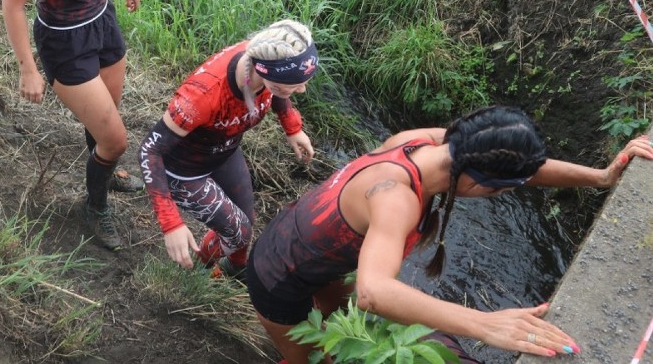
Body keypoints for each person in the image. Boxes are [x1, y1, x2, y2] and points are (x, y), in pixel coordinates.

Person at [245, 105, 653, 363]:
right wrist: (484, 324)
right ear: (479, 184)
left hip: (317, 252)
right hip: (277, 277)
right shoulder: (395, 199)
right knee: (313, 360)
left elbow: (523, 169)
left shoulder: (432, 143)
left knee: (340, 324)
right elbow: (373, 291)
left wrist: (600, 178)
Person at [2, 0, 145, 252]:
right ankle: (94, 207)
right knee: (116, 140)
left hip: (104, 22)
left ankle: (105, 169)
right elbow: (12, 5)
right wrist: (27, 68)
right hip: (66, 40)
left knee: (105, 123)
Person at [138, 19, 318, 277]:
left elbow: (280, 90)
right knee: (239, 231)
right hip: (182, 172)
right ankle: (197, 270)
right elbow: (148, 150)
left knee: (247, 220)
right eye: (297, 83)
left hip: (223, 150)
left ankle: (235, 267)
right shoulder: (202, 96)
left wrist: (292, 126)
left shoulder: (265, 55)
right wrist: (170, 223)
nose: (303, 89)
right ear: (270, 78)